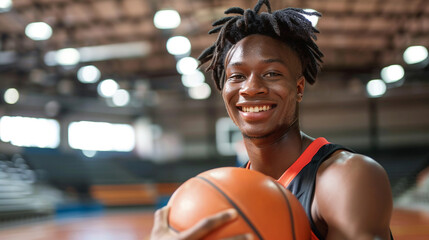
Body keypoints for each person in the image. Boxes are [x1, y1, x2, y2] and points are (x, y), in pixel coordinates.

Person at [151, 0, 393, 239]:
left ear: (299, 88)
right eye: (237, 76)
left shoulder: (347, 176)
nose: (251, 88)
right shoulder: (226, 192)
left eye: (271, 73)